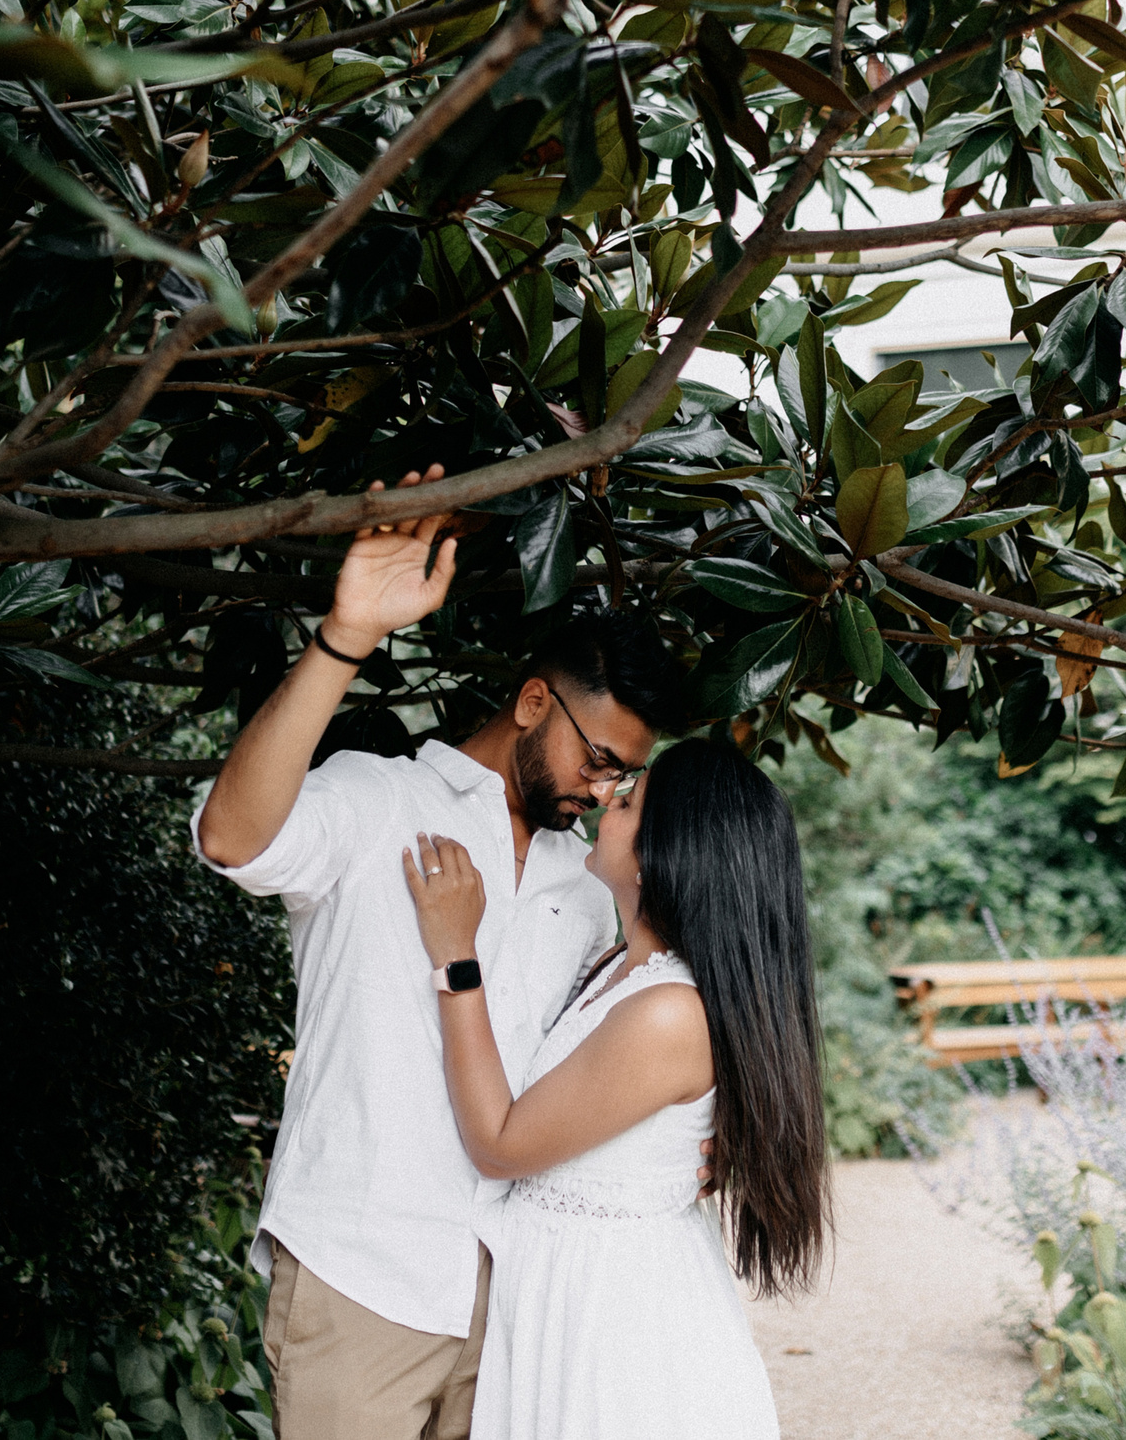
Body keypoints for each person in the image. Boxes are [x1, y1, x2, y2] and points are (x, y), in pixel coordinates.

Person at [192, 464, 690, 1440]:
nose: (602, 791)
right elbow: (231, 840)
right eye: (599, 760)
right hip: (363, 1273)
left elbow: (598, 1065)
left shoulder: (585, 891)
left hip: (512, 1292)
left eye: (625, 777)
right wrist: (349, 636)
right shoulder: (377, 801)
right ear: (535, 701)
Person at [401, 737, 829, 1440]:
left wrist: (456, 957)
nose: (604, 797)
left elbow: (500, 1144)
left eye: (627, 801)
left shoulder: (666, 1011)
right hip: (575, 1299)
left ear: (662, 853)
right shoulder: (624, 964)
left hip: (616, 1323)